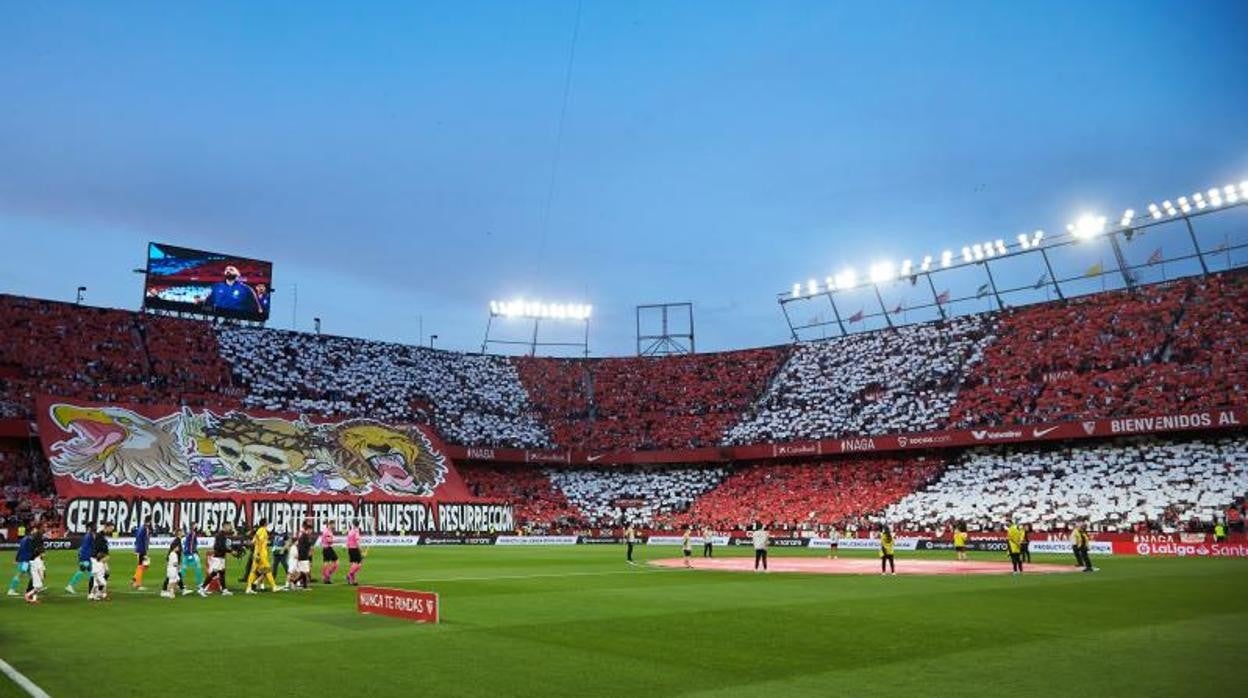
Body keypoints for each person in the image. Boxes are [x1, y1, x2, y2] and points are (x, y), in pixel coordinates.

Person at [245, 518, 279, 594]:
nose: (267, 523)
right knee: (267, 570)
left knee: (254, 571)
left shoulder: (258, 531)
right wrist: (259, 554)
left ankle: (249, 588)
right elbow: (260, 542)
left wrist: (256, 553)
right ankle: (274, 586)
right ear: (265, 523)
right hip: (261, 554)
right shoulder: (263, 531)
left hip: (257, 553)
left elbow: (253, 542)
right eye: (267, 522)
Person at [201, 524, 234, 596]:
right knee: (214, 573)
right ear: (225, 527)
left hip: (221, 557)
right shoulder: (220, 535)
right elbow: (220, 546)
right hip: (218, 557)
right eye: (229, 526)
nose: (230, 528)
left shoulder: (223, 535)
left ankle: (224, 589)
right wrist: (230, 551)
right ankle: (202, 588)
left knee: (222, 573)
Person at [7, 522, 37, 596]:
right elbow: (30, 551)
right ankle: (11, 589)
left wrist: (16, 559)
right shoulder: (29, 539)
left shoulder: (24, 539)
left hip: (24, 560)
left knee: (33, 575)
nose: (36, 532)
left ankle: (34, 588)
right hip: (26, 561)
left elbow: (20, 550)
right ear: (31, 531)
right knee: (20, 574)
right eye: (35, 530)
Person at [89, 521, 114, 601]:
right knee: (99, 577)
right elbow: (99, 548)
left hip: (100, 559)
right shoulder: (100, 535)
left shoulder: (102, 535)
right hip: (98, 559)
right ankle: (99, 594)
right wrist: (102, 558)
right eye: (111, 528)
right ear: (107, 527)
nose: (112, 530)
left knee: (102, 575)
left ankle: (96, 593)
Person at [66, 524, 95, 594]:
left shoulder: (87, 535)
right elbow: (91, 546)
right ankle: (70, 585)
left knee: (90, 571)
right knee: (83, 570)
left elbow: (83, 546)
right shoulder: (90, 536)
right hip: (86, 556)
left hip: (84, 555)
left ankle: (94, 586)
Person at [24, 526, 46, 604]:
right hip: (35, 561)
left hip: (34, 560)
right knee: (37, 581)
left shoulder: (34, 541)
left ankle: (34, 598)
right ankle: (28, 594)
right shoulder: (36, 542)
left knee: (36, 581)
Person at [180, 524, 204, 595]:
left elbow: (189, 544)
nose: (197, 526)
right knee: (198, 568)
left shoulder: (190, 533)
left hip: (186, 553)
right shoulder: (193, 533)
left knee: (183, 569)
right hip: (191, 553)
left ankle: (179, 583)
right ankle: (200, 584)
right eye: (196, 525)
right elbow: (191, 544)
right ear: (193, 526)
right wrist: (191, 553)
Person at [132, 517, 152, 590]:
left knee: (144, 565)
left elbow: (137, 538)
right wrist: (145, 551)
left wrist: (136, 549)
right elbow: (143, 541)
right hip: (142, 550)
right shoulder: (144, 529)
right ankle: (138, 584)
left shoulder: (141, 528)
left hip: (139, 549)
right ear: (149, 521)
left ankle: (135, 579)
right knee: (141, 566)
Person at [161, 531, 182, 599]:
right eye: (177, 547)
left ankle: (171, 591)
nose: (178, 548)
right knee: (172, 582)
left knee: (176, 580)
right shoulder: (173, 554)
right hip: (172, 570)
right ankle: (168, 592)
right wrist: (178, 567)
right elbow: (174, 563)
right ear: (175, 547)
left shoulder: (173, 553)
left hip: (172, 569)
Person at [294, 522, 315, 589]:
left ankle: (303, 585)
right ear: (308, 529)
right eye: (310, 530)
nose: (311, 531)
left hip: (302, 556)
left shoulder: (303, 536)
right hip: (303, 556)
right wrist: (308, 553)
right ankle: (295, 581)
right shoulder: (305, 536)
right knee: (305, 571)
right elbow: (304, 547)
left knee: (303, 571)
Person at [345, 521, 364, 586]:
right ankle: (349, 575)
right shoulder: (356, 531)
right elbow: (357, 541)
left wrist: (348, 548)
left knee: (353, 564)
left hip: (350, 549)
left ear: (353, 524)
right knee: (359, 564)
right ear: (358, 525)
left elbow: (347, 542)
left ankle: (353, 580)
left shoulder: (350, 531)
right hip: (355, 549)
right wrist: (361, 551)